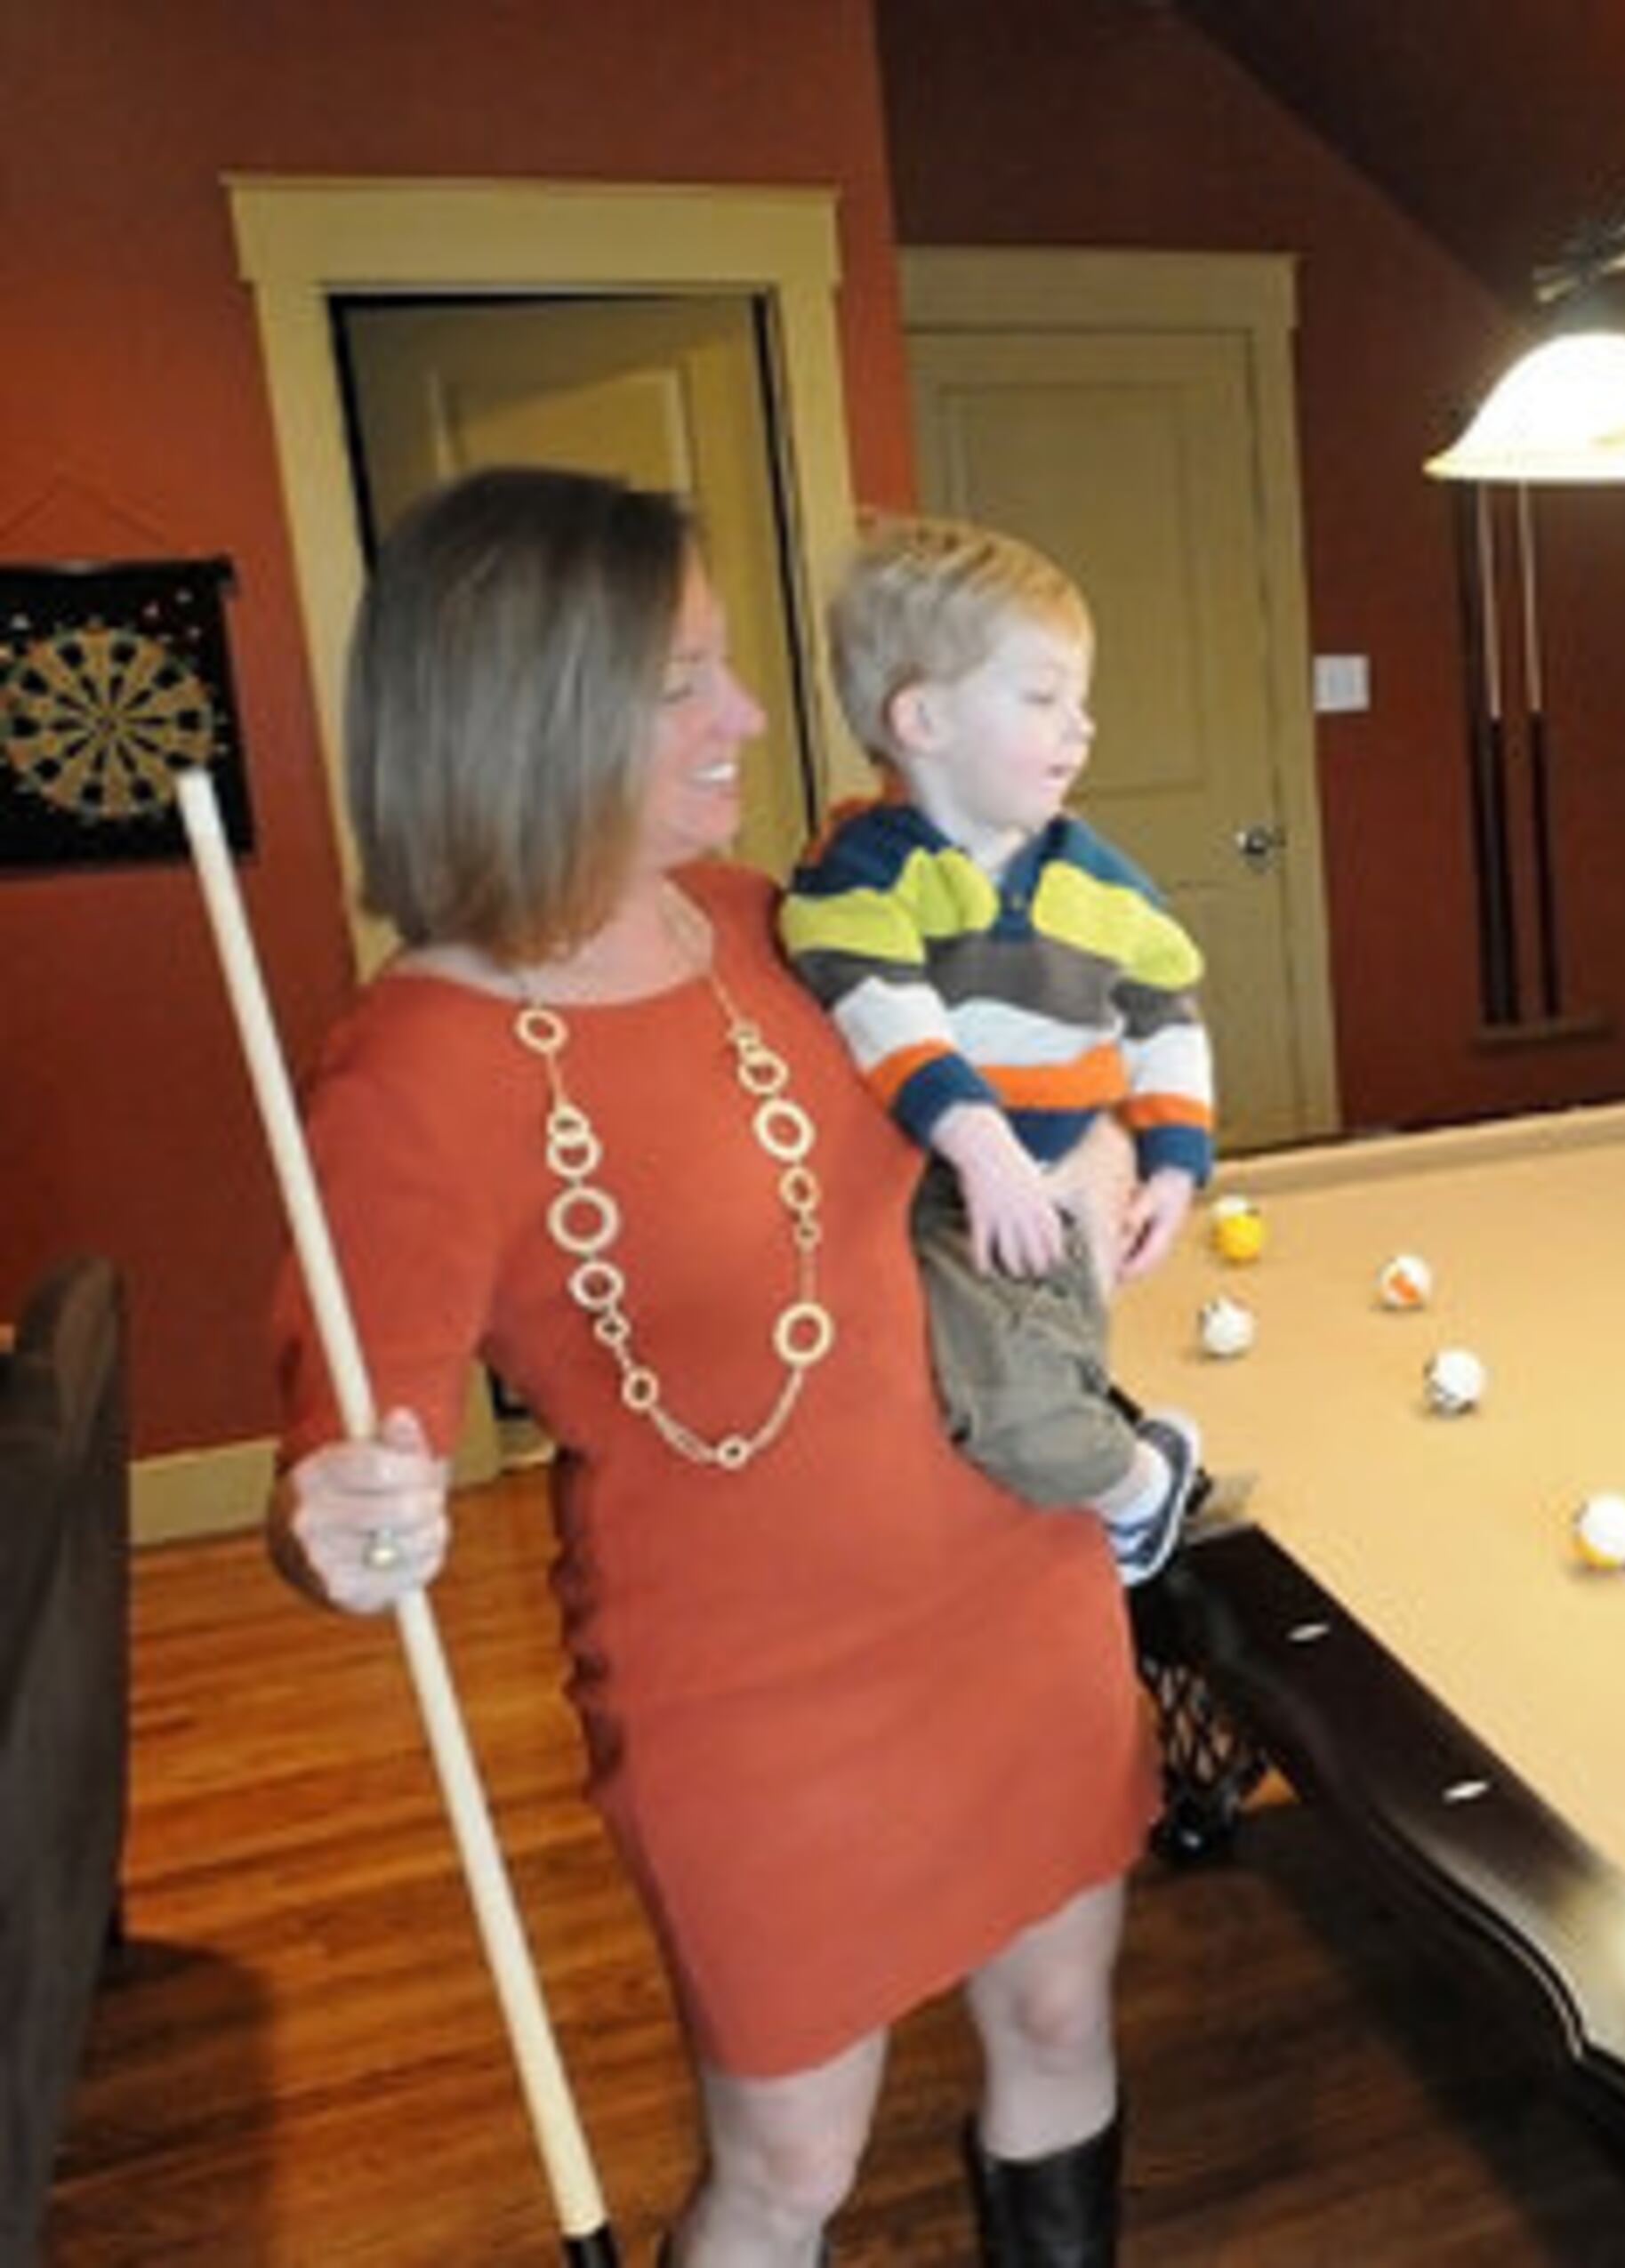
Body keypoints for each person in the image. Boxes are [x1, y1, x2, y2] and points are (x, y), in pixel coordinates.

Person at [270, 468, 1146, 2267]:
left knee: (1063, 2027)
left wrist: (1114, 1147)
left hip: (1014, 1580)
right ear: (542, 715)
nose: (748, 713)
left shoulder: (798, 914)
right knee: (787, 2176)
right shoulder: (410, 1073)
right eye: (687, 679)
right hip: (751, 1695)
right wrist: (346, 1508)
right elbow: (351, 1440)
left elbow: (1046, 1042)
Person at [778, 516, 1212, 1588]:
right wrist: (981, 1149)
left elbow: (1168, 1010)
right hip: (942, 1189)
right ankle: (1141, 1489)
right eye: (1042, 698)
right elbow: (886, 1012)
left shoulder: (1101, 879)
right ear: (921, 718)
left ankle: (1119, 1494)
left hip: (1052, 1180)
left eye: (1080, 700)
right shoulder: (861, 869)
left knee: (1037, 1390)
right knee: (1008, 1412)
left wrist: (1172, 1162)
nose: (1083, 728)